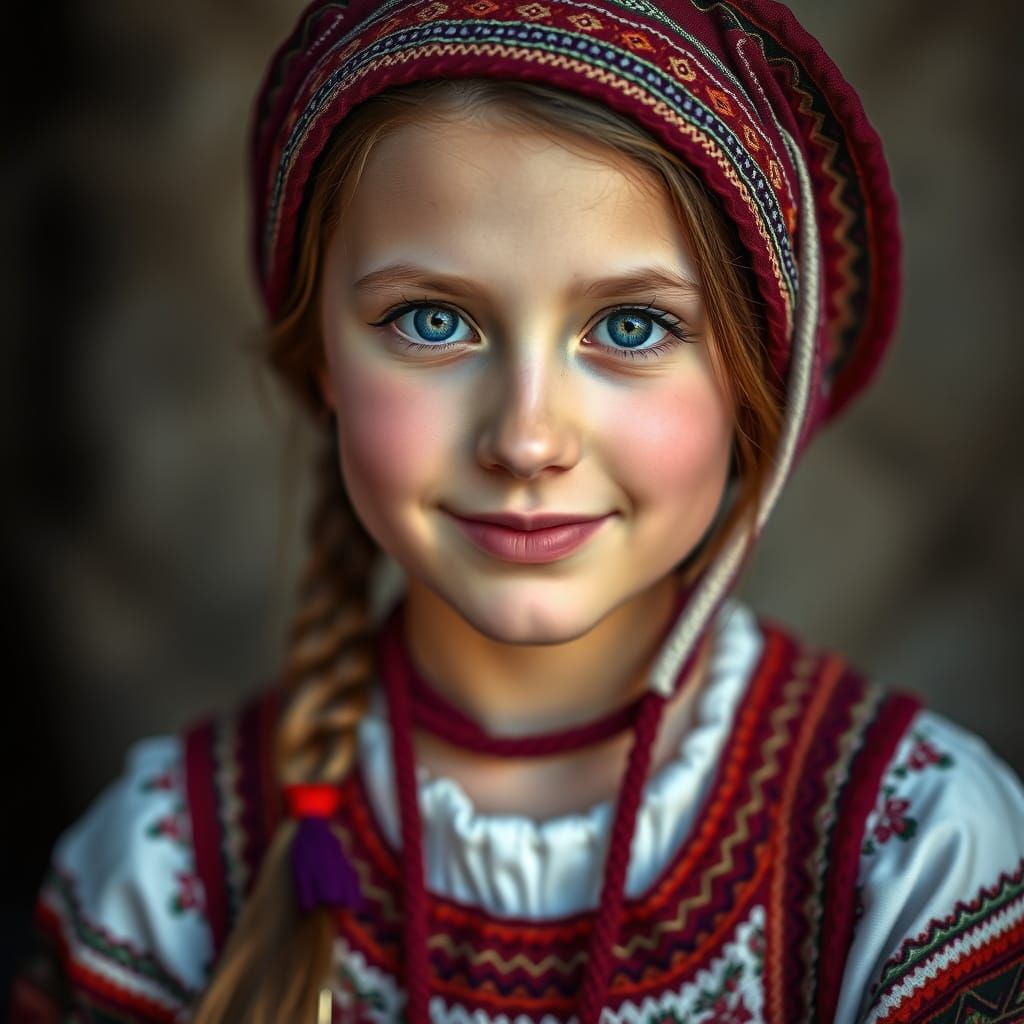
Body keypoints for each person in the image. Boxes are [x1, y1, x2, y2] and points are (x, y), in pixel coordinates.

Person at [12, 1, 1024, 1021]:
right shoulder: (162, 866)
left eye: (631, 325)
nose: (528, 438)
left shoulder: (915, 854)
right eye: (433, 320)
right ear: (321, 356)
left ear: (758, 376)